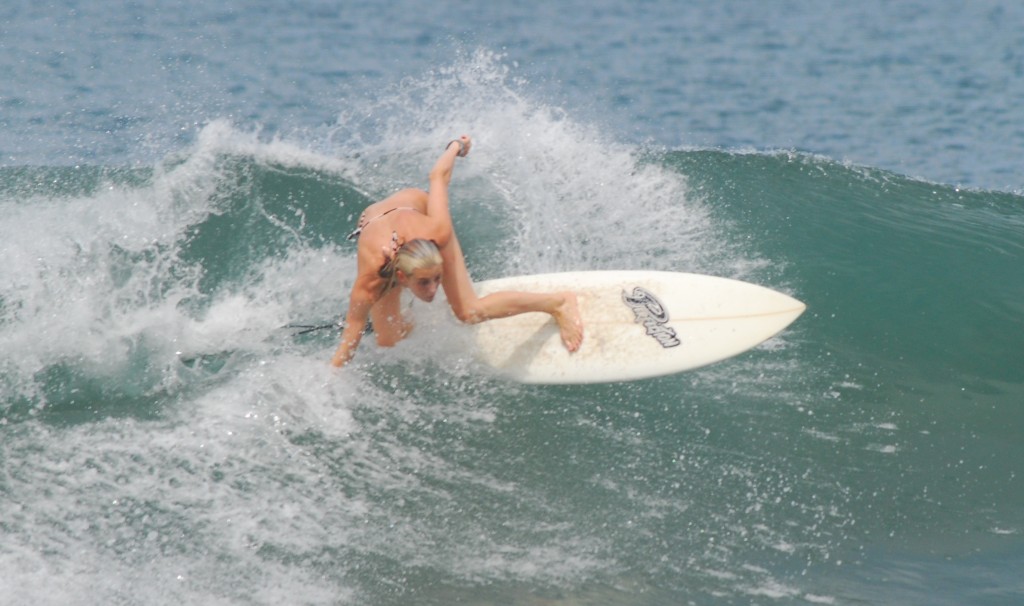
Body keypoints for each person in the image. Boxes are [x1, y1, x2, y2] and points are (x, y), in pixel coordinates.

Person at [331, 135, 583, 367]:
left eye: (437, 279)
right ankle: (408, 318)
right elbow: (347, 343)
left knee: (468, 312)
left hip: (415, 206)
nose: (433, 290)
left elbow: (438, 177)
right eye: (424, 283)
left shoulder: (436, 231)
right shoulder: (370, 281)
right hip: (378, 223)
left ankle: (557, 302)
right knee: (389, 341)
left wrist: (456, 146)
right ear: (401, 277)